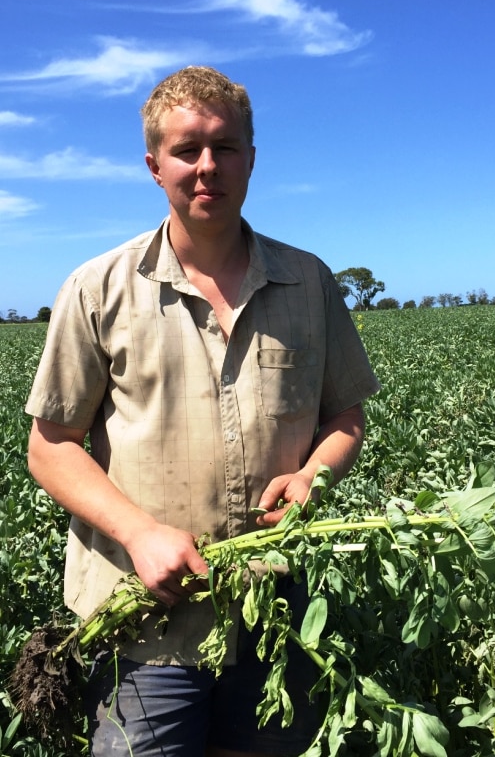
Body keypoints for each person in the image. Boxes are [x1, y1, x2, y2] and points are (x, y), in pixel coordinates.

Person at [26, 65, 380, 757]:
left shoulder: (307, 282)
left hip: (273, 621)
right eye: (187, 150)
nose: (207, 166)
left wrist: (315, 477)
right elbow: (50, 446)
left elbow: (345, 417)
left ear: (252, 158)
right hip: (145, 630)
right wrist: (138, 532)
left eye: (226, 147)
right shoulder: (97, 288)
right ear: (155, 166)